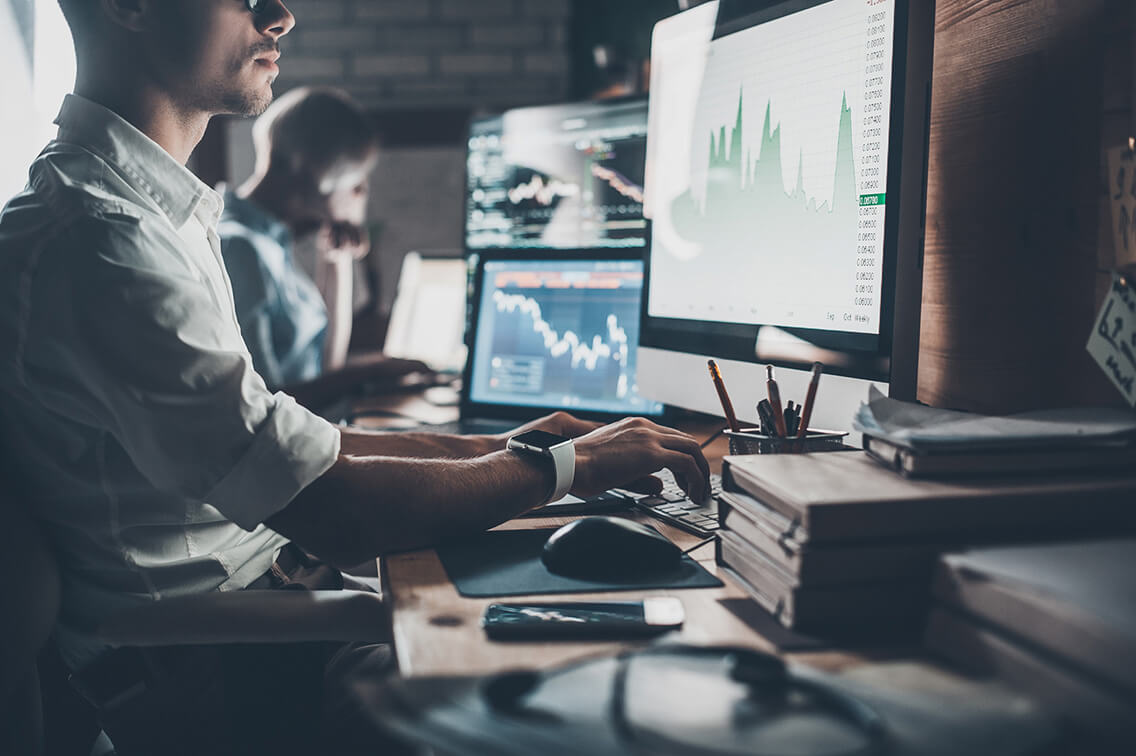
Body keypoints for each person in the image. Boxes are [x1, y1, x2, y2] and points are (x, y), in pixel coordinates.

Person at [0, 1, 710, 753]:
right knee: (612, 702)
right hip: (211, 667)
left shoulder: (145, 210)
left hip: (263, 616)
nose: (281, 15)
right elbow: (332, 509)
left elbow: (309, 445)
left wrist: (514, 447)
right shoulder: (102, 238)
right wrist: (563, 469)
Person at [221, 86, 421, 410]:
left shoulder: (271, 242)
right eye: (357, 180)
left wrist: (335, 261)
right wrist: (371, 371)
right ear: (318, 171)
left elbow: (326, 366)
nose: (360, 193)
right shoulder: (240, 248)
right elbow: (264, 404)